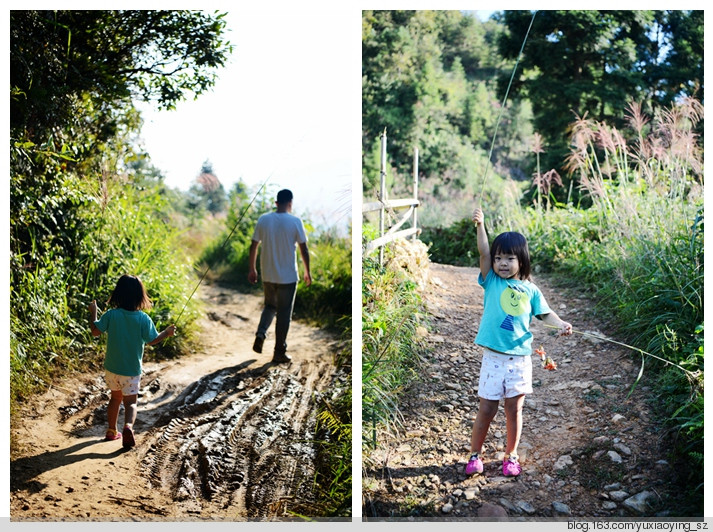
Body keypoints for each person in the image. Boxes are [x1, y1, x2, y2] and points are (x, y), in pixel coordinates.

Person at [466, 208, 572, 477]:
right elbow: (483, 253)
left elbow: (545, 313)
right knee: (487, 409)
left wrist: (560, 324)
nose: (502, 263)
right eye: (499, 258)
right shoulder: (490, 281)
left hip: (520, 359)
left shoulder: (531, 290)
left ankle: (510, 455)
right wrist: (480, 225)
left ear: (521, 261)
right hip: (493, 358)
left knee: (514, 409)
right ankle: (474, 454)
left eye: (509, 258)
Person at [89, 275, 176, 448]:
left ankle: (111, 430)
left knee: (115, 399)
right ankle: (128, 426)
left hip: (112, 369)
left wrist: (93, 312)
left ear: (118, 294)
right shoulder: (143, 319)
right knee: (131, 403)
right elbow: (152, 340)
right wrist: (166, 332)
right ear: (140, 296)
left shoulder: (111, 315)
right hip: (131, 371)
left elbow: (95, 332)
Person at [248, 189, 311, 364]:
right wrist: (307, 272)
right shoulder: (295, 221)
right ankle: (279, 352)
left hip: (268, 274)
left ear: (276, 203)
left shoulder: (264, 219)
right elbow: (303, 249)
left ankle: (261, 333)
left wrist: (252, 269)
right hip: (288, 277)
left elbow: (253, 246)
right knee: (283, 314)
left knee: (269, 307)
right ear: (290, 203)